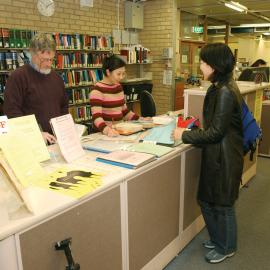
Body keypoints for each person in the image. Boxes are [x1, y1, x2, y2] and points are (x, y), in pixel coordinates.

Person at [173, 43, 244, 264]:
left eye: (203, 62)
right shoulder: (217, 87)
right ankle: (217, 238)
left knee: (222, 204)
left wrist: (184, 135)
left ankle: (227, 247)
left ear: (215, 65)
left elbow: (215, 133)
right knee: (206, 200)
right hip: (216, 155)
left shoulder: (224, 91)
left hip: (224, 157)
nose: (200, 66)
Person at [3, 33, 68, 144]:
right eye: (44, 60)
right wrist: (35, 133)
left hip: (55, 141)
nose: (49, 64)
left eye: (51, 59)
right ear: (32, 55)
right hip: (30, 142)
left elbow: (63, 107)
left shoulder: (57, 78)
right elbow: (12, 112)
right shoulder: (18, 77)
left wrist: (63, 129)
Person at [90, 55, 139, 137]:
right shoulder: (97, 90)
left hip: (119, 132)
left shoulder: (118, 87)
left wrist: (141, 119)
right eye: (118, 74)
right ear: (108, 72)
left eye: (123, 74)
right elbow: (96, 117)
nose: (121, 77)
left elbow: (124, 111)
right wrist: (107, 130)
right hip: (103, 134)